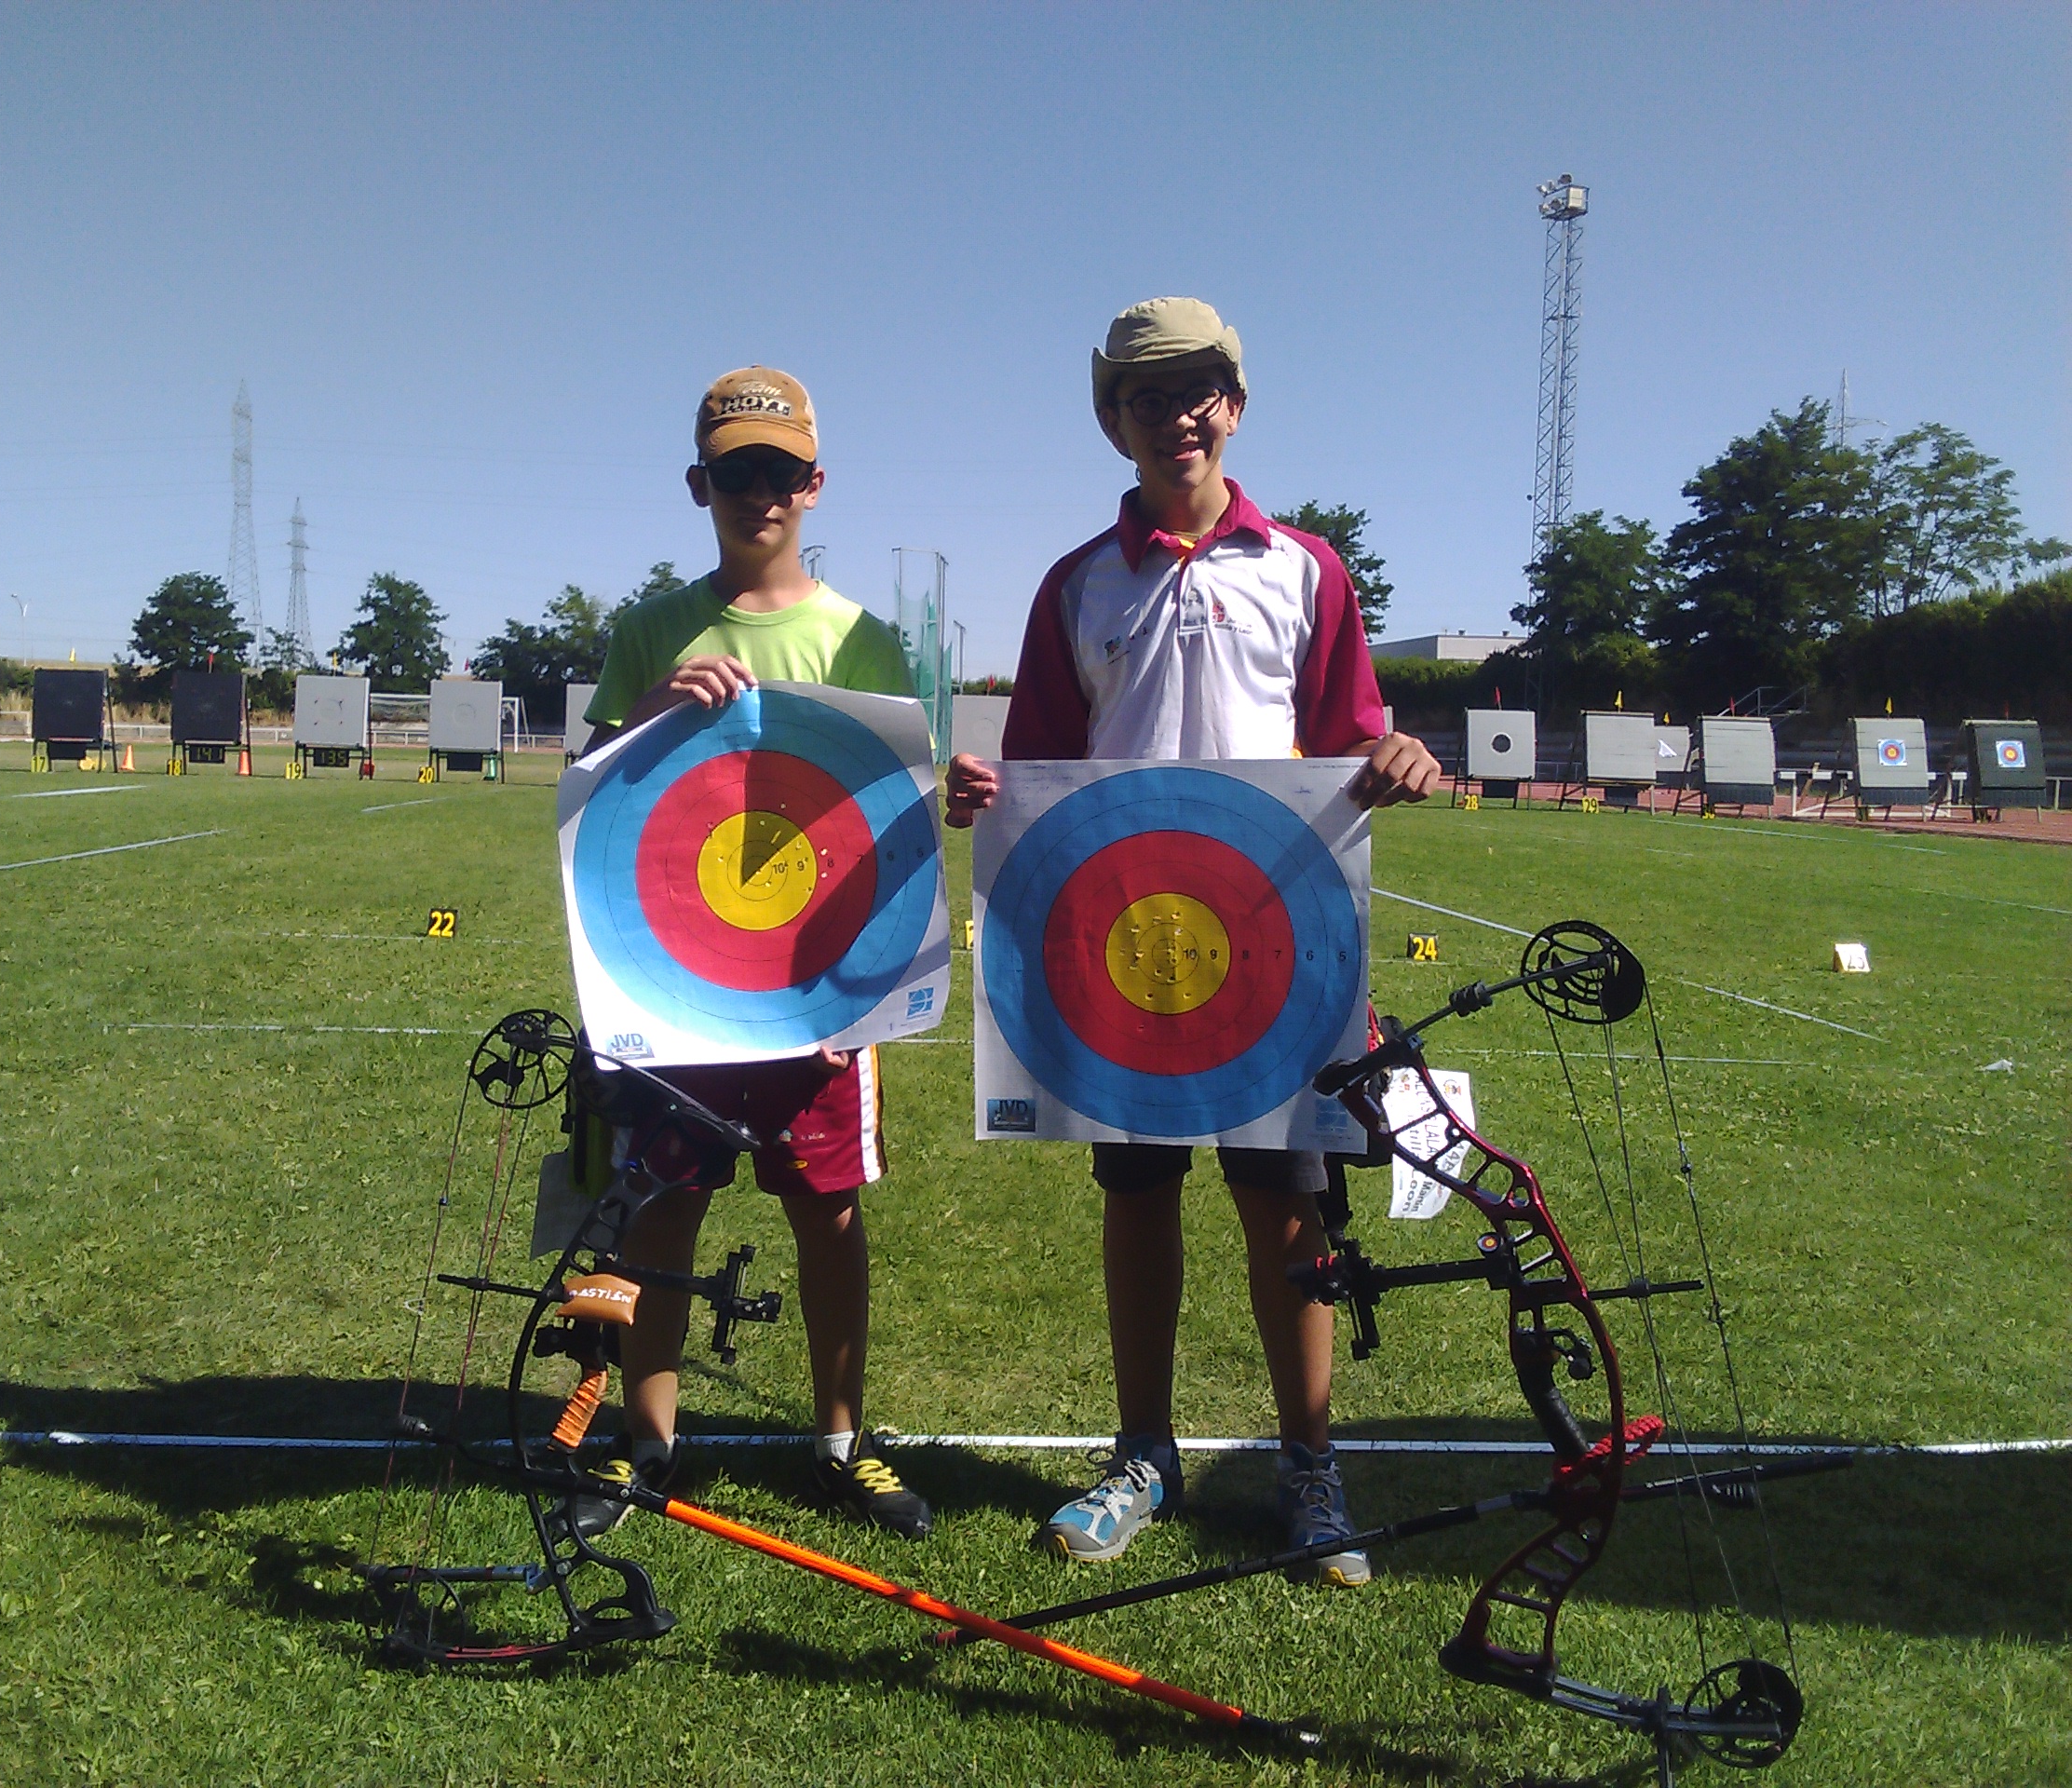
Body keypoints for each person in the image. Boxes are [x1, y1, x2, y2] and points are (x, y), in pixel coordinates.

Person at [944, 297, 1440, 1579]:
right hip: (1130, 949)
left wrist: (1394, 755)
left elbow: (1347, 738)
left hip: (1279, 941)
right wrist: (979, 797)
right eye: (1151, 394)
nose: (1181, 414)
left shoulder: (1310, 568)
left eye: (1202, 388)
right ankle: (1144, 1455)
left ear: (1237, 401)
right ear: (1114, 418)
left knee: (1287, 1206)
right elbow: (1041, 770)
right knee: (1139, 1195)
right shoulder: (1075, 585)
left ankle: (1311, 1471)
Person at [562, 366, 931, 1542]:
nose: (757, 492)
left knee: (827, 1210)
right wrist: (646, 713)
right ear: (698, 484)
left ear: (815, 486)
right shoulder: (648, 629)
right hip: (675, 982)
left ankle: (840, 1442)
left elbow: (891, 809)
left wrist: (951, 796)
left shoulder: (859, 636)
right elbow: (594, 798)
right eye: (735, 473)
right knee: (660, 1204)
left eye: (778, 472)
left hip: (817, 986)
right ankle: (645, 1443)